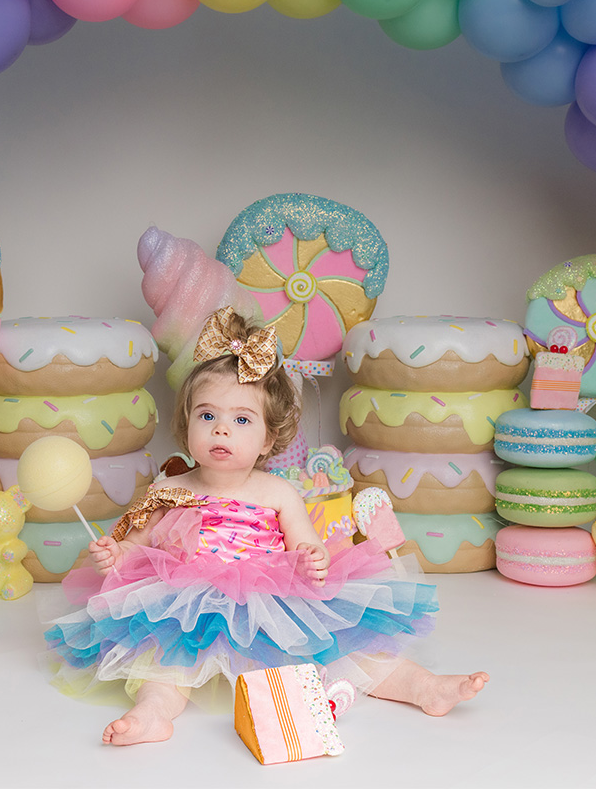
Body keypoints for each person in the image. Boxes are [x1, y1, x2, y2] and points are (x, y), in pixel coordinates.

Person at [45, 307, 488, 746]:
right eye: (207, 416)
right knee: (163, 659)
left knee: (344, 648)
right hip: (185, 599)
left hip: (269, 596)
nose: (221, 431)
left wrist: (312, 558)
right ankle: (153, 713)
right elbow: (135, 547)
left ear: (268, 438)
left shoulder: (277, 491)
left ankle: (424, 687)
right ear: (187, 424)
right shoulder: (169, 488)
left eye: (241, 420)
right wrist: (114, 555)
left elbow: (307, 545)